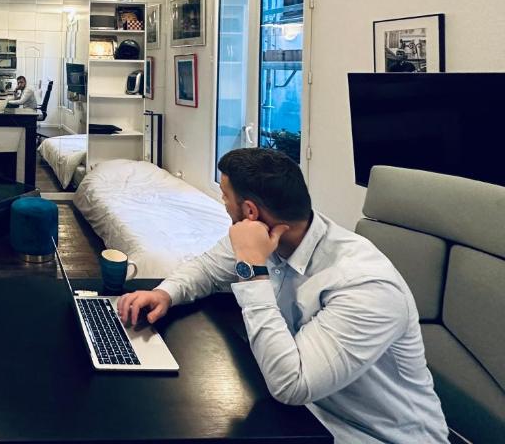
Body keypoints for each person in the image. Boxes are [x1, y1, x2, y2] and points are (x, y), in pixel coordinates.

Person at [116, 148, 448, 444]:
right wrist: (165, 292)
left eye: (224, 196)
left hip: (370, 433)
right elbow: (207, 268)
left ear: (249, 211)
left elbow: (292, 384)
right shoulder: (275, 235)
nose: (222, 204)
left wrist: (251, 270)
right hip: (306, 418)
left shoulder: (364, 286)